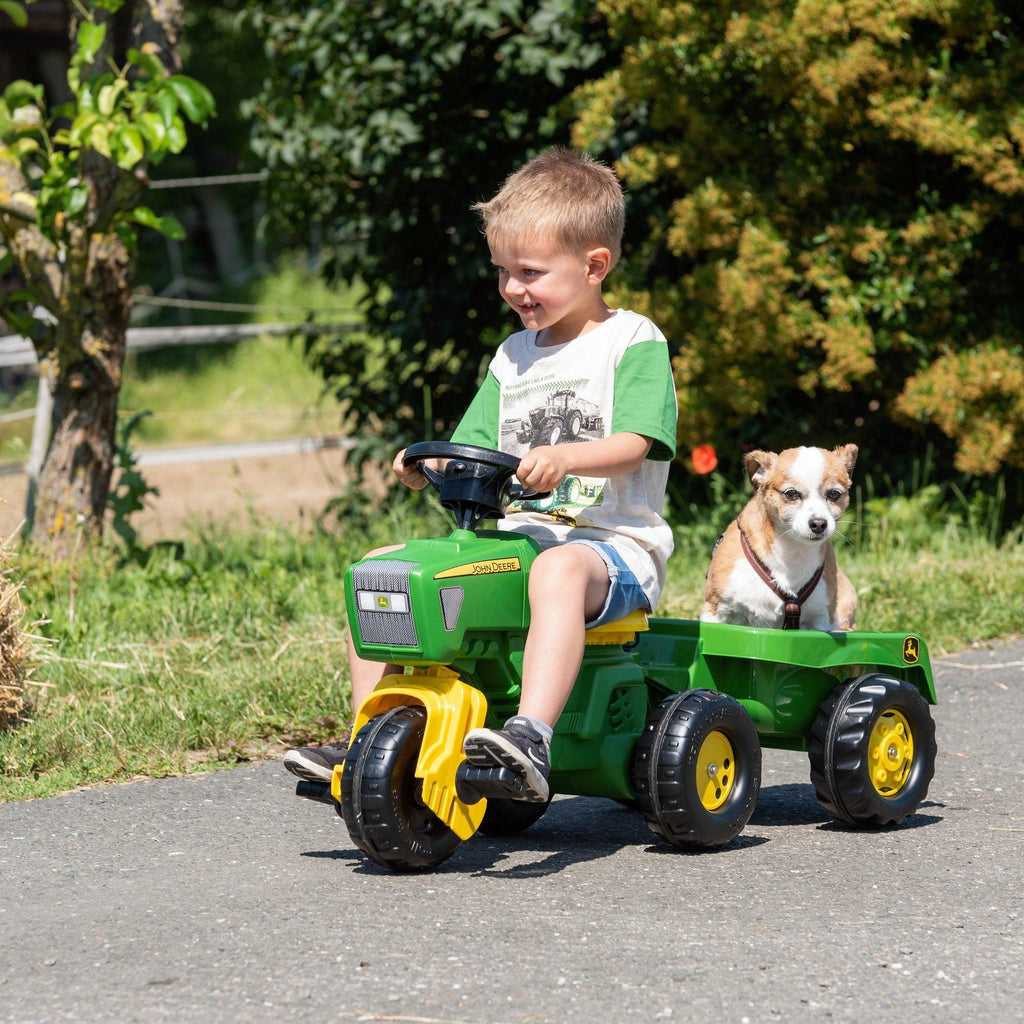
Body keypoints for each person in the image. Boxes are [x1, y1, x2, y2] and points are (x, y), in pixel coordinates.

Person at [285, 148, 677, 802]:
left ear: (594, 265)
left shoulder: (631, 341)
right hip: (521, 543)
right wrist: (425, 462)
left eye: (530, 272)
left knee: (557, 570)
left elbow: (639, 443)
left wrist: (567, 458)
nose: (512, 289)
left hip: (612, 549)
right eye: (502, 272)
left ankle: (531, 735)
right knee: (387, 565)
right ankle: (371, 734)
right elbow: (469, 445)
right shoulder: (513, 357)